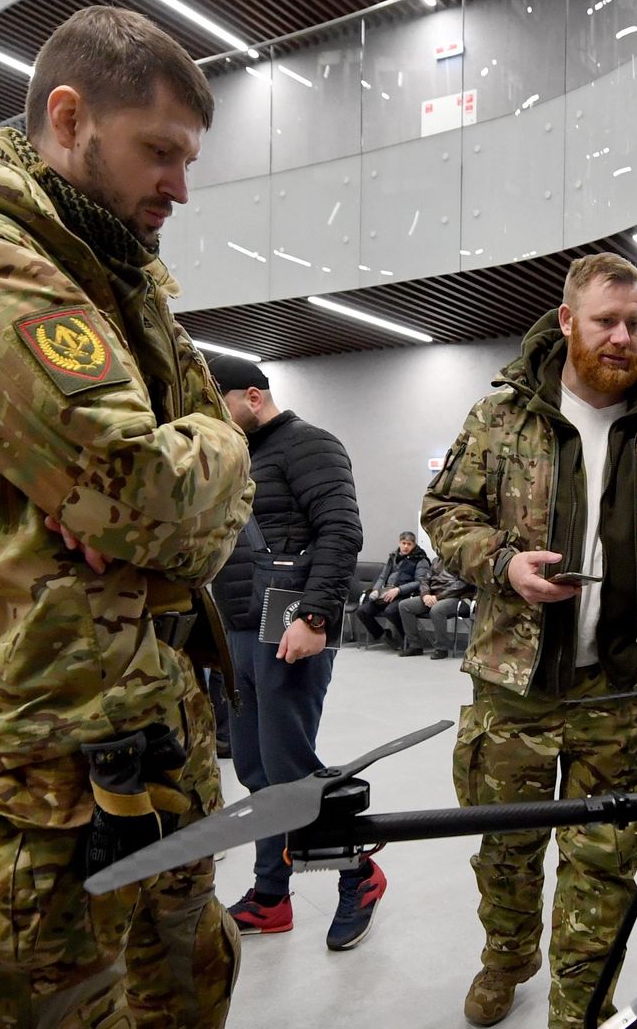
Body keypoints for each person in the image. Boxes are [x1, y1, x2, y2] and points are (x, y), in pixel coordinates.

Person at [0, 6, 253, 1028]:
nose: (180, 186)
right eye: (160, 152)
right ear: (71, 116)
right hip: (39, 774)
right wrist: (209, 445)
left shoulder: (114, 273)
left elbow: (169, 492)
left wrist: (192, 458)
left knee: (187, 986)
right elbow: (144, 497)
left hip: (154, 732)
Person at [424, 252, 637, 1028]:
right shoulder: (501, 416)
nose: (624, 337)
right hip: (513, 686)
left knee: (604, 862)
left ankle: (579, 1010)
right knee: (505, 850)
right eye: (606, 320)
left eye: (635, 322)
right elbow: (444, 512)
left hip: (623, 691)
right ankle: (507, 956)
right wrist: (502, 565)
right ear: (568, 321)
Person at [204, 353, 379, 947]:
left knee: (291, 771)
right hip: (237, 632)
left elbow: (342, 531)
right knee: (255, 771)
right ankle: (271, 895)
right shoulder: (233, 456)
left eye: (219, 405)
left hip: (289, 632)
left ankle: (360, 875)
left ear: (252, 396)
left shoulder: (311, 445)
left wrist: (314, 614)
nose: (213, 419)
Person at [354, 531, 430, 646]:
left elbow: (420, 582)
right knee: (362, 611)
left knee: (391, 611)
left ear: (414, 545)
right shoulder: (393, 557)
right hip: (386, 592)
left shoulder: (420, 559)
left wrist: (398, 590)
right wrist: (375, 589)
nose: (405, 547)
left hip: (405, 594)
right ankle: (383, 635)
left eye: (409, 544)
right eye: (403, 543)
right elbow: (383, 576)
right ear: (399, 543)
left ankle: (407, 638)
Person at [395, 561, 475, 658]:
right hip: (432, 595)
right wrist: (425, 595)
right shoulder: (437, 561)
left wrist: (438, 597)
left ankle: (441, 648)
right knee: (404, 606)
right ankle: (415, 646)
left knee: (437, 609)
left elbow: (461, 585)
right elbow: (424, 580)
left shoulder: (463, 561)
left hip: (457, 597)